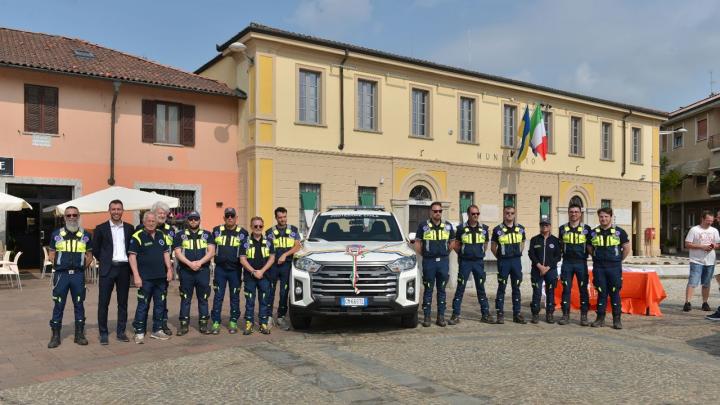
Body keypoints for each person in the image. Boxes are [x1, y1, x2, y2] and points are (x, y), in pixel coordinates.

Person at [47, 206, 93, 348]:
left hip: (78, 275)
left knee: (79, 304)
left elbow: (89, 256)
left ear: (78, 216)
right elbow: (51, 253)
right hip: (61, 275)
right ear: (64, 217)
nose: (72, 217)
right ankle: (55, 336)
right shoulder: (57, 234)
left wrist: (81, 268)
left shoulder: (85, 235)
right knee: (58, 304)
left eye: (74, 215)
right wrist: (59, 266)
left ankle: (79, 335)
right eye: (69, 215)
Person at [92, 199, 134, 344]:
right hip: (107, 269)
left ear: (123, 211)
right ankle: (103, 333)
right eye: (114, 209)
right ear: (109, 211)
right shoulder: (100, 228)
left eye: (119, 209)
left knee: (123, 303)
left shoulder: (129, 228)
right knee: (103, 303)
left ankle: (121, 332)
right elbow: (96, 249)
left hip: (124, 268)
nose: (116, 212)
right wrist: (105, 260)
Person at [129, 211, 174, 343]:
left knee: (160, 304)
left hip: (161, 277)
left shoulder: (161, 235)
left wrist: (169, 270)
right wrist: (136, 276)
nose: (151, 223)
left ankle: (157, 330)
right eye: (148, 221)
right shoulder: (137, 236)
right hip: (145, 278)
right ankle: (139, 331)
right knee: (143, 305)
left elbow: (166, 253)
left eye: (153, 221)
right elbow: (132, 257)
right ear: (144, 222)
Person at [448, 204, 493, 325]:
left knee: (481, 288)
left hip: (478, 262)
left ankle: (485, 314)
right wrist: (463, 254)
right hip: (465, 262)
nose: (476, 216)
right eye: (473, 214)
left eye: (477, 213)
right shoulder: (461, 228)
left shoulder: (484, 228)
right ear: (468, 214)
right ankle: (455, 315)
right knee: (460, 288)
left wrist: (479, 253)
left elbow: (485, 244)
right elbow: (456, 245)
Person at [173, 211, 215, 336]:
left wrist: (200, 263)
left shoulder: (207, 234)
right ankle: (183, 326)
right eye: (191, 219)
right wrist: (190, 264)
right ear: (187, 220)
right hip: (186, 271)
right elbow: (177, 253)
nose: (193, 221)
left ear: (199, 220)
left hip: (203, 271)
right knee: (185, 298)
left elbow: (211, 252)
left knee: (204, 298)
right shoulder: (180, 235)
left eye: (195, 219)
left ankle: (203, 325)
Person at [588, 207, 630, 329]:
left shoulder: (620, 232)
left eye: (606, 216)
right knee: (601, 292)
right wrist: (596, 256)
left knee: (614, 293)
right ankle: (600, 319)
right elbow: (589, 247)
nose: (603, 219)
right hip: (599, 267)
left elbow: (626, 248)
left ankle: (617, 320)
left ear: (611, 217)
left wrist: (618, 259)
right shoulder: (593, 232)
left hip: (614, 267)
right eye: (601, 216)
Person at [414, 202, 455, 327]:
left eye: (440, 211)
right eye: (435, 211)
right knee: (428, 290)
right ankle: (427, 317)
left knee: (442, 290)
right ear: (430, 212)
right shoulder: (423, 226)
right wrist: (426, 255)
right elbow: (417, 244)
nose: (438, 213)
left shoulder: (447, 226)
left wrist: (445, 253)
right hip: (429, 262)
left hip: (443, 262)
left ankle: (440, 317)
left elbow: (452, 243)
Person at [210, 208, 247, 334]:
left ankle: (233, 321)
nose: (230, 218)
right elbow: (210, 248)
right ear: (224, 218)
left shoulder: (243, 233)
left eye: (232, 216)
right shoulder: (216, 231)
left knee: (235, 297)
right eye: (227, 216)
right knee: (218, 296)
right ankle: (216, 322)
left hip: (235, 270)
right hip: (220, 270)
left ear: (236, 218)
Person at [266, 207, 301, 331]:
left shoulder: (293, 230)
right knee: (270, 291)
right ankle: (269, 317)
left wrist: (285, 254)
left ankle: (281, 317)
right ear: (276, 218)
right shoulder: (269, 232)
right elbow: (267, 249)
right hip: (273, 266)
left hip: (287, 265)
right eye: (280, 217)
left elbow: (297, 246)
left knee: (284, 292)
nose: (283, 219)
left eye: (284, 216)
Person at [557, 204, 593, 326]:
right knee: (566, 289)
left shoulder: (587, 229)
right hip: (567, 263)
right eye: (571, 211)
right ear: (568, 213)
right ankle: (565, 315)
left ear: (580, 213)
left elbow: (590, 246)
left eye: (576, 212)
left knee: (583, 290)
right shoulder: (562, 228)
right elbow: (560, 245)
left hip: (581, 263)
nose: (574, 214)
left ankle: (584, 316)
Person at [239, 216, 275, 335]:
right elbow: (242, 259)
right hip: (250, 277)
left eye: (260, 226)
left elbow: (272, 258)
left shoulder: (269, 241)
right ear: (251, 227)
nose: (258, 228)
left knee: (264, 301)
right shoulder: (245, 242)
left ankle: (263, 324)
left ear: (263, 227)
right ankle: (249, 323)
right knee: (250, 301)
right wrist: (254, 272)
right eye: (255, 226)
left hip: (265, 276)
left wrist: (262, 271)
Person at [491, 206, 527, 324]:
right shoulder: (497, 229)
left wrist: (518, 253)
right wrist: (500, 257)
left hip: (516, 261)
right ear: (504, 214)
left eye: (512, 213)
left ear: (514, 214)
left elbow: (523, 243)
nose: (509, 215)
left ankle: (517, 314)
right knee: (502, 287)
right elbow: (493, 247)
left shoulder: (520, 229)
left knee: (516, 287)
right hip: (504, 262)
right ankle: (500, 314)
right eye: (507, 213)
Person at [683, 211, 720, 312]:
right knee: (693, 281)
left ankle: (705, 302)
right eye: (708, 220)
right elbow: (687, 244)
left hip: (710, 261)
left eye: (711, 221)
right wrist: (702, 246)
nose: (710, 223)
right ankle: (687, 302)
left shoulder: (714, 230)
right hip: (696, 260)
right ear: (702, 219)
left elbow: (718, 244)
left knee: (706, 283)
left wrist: (713, 246)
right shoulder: (694, 230)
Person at [528, 219, 561, 324]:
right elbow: (531, 254)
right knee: (537, 292)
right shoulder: (534, 239)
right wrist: (539, 266)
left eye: (546, 225)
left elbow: (558, 256)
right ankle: (535, 314)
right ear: (540, 226)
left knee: (550, 292)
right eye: (542, 225)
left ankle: (549, 314)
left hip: (550, 270)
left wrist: (547, 267)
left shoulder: (555, 240)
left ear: (550, 226)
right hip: (536, 270)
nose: (544, 227)